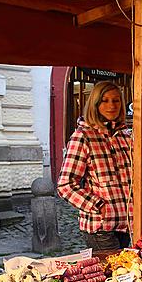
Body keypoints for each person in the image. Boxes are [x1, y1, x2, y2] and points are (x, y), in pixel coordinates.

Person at [57, 81, 133, 251]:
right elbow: (65, 185)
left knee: (122, 272)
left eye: (116, 101)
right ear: (95, 104)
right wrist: (98, 205)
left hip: (126, 224)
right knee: (114, 271)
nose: (111, 106)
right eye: (105, 101)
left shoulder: (125, 137)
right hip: (100, 227)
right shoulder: (83, 136)